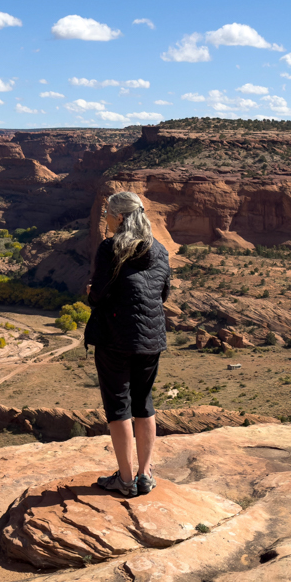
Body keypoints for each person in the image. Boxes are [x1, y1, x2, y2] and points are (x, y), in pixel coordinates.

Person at [84, 191, 171, 497]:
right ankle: (145, 474)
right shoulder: (159, 249)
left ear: (120, 218)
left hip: (115, 337)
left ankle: (124, 479)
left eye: (108, 213)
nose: (104, 218)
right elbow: (164, 293)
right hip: (151, 338)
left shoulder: (112, 247)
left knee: (118, 405)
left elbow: (100, 294)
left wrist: (90, 292)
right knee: (144, 401)